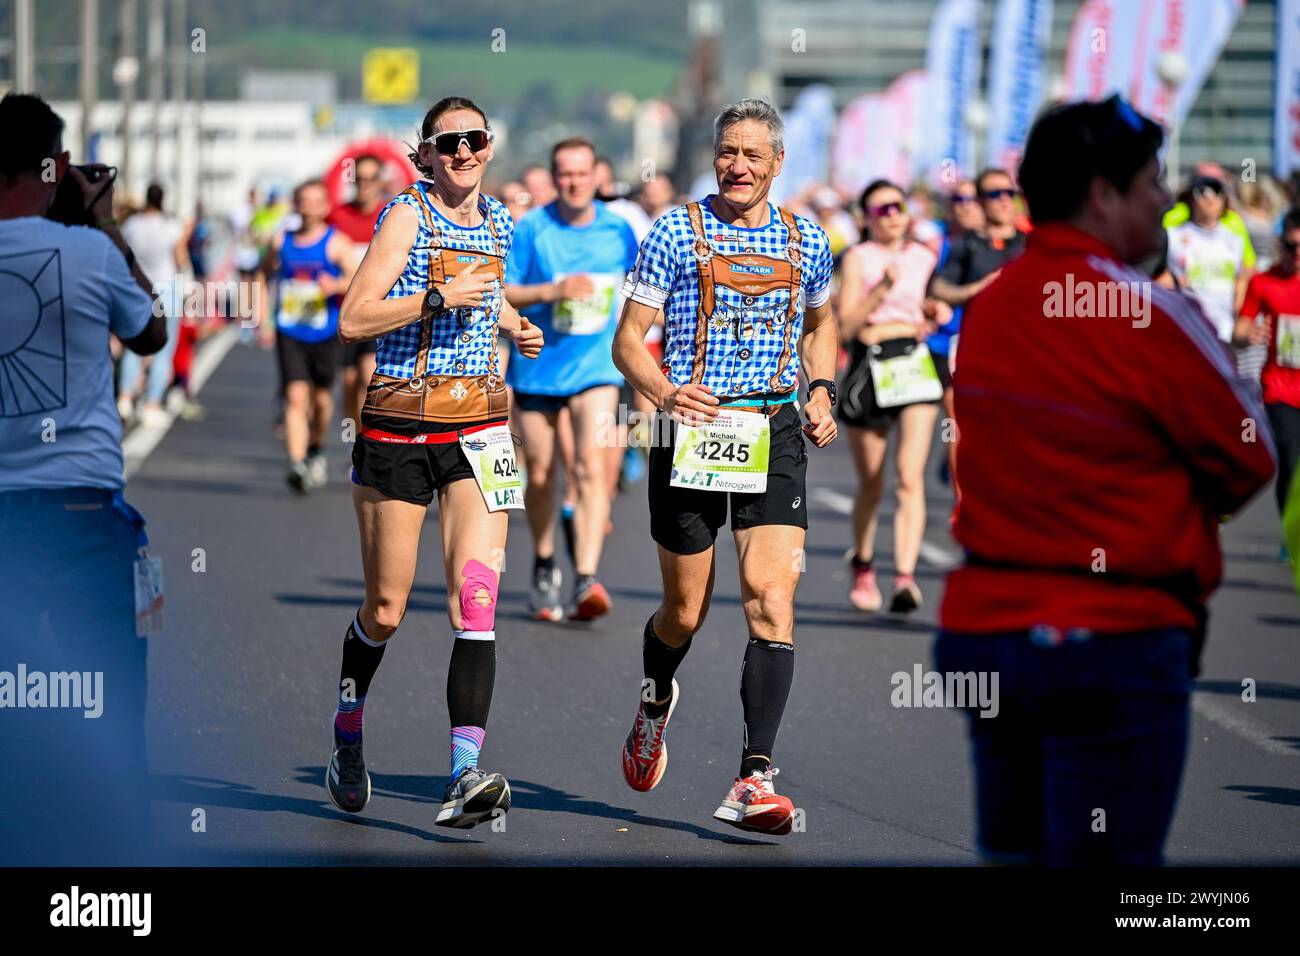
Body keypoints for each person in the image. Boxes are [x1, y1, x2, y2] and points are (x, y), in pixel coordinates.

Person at [936, 95, 1276, 866]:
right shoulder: (1151, 312)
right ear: (1103, 193)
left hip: (991, 632)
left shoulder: (990, 310)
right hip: (1113, 641)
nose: (1167, 200)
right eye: (1154, 181)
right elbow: (1250, 458)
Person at [612, 98, 837, 834]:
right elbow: (627, 341)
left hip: (772, 427)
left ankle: (754, 776)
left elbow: (822, 321)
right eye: (726, 153)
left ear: (777, 164)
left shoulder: (808, 239)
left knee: (772, 600)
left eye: (752, 155)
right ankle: (654, 701)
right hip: (690, 430)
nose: (737, 166)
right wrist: (665, 391)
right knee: (685, 611)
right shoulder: (676, 230)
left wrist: (823, 388)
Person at [332, 96, 543, 829]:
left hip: (482, 428)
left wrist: (516, 324)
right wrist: (432, 297)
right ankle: (349, 730)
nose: (462, 152)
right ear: (424, 154)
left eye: (474, 139)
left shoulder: (502, 220)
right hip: (398, 432)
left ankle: (463, 776)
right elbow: (354, 318)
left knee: (477, 600)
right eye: (447, 142)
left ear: (490, 147)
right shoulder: (405, 218)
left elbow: (489, 298)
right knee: (387, 608)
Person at [0, 93, 168, 864]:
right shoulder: (92, 252)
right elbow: (151, 332)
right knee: (111, 695)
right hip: (81, 511)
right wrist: (96, 218)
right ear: (58, 166)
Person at [504, 138, 640, 621]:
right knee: (540, 474)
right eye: (564, 174)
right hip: (539, 366)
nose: (574, 182)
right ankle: (544, 563)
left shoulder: (618, 231)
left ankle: (585, 577)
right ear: (554, 177)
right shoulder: (533, 228)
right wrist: (554, 290)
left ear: (597, 177)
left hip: (596, 367)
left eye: (582, 173)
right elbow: (505, 292)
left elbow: (643, 287)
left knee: (589, 465)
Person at [837, 179, 948, 614]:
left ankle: (905, 576)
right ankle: (864, 564)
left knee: (909, 476)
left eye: (897, 206)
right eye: (881, 209)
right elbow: (844, 327)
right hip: (870, 362)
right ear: (866, 218)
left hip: (912, 364)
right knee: (873, 482)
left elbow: (929, 300)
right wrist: (880, 290)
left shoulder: (923, 257)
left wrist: (933, 311)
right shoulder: (859, 258)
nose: (892, 215)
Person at [261, 179, 359, 493]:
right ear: (296, 204)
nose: (309, 206)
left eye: (316, 201)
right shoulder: (281, 241)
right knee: (295, 396)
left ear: (325, 206)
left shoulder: (336, 243)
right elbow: (264, 274)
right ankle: (297, 463)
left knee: (320, 399)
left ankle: (316, 445)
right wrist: (263, 316)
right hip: (290, 329)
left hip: (325, 332)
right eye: (303, 200)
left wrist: (336, 286)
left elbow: (358, 279)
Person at [1234, 209, 1300, 525]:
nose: (1297, 254)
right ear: (1281, 244)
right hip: (1281, 389)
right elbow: (1239, 330)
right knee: (1290, 460)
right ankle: (1291, 533)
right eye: (1291, 246)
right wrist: (1250, 334)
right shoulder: (1263, 282)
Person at [116, 182, 188, 426]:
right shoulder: (171, 226)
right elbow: (180, 260)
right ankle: (151, 403)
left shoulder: (131, 225)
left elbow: (122, 255)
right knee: (162, 350)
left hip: (136, 288)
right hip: (165, 289)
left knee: (133, 346)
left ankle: (125, 397)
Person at [329, 154, 391, 437]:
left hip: (376, 314)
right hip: (342, 313)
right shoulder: (337, 216)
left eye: (371, 179)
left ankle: (368, 441)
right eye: (360, 179)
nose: (365, 185)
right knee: (349, 382)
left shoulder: (391, 215)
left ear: (380, 182)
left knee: (369, 378)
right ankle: (352, 437)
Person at [1163, 174, 1251, 345]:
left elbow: (1244, 275)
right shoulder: (1173, 236)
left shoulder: (1234, 239)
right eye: (1202, 192)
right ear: (1191, 199)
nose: (1210, 198)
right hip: (1186, 330)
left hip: (1224, 330)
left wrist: (1238, 307)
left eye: (1217, 192)